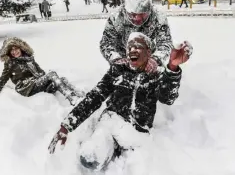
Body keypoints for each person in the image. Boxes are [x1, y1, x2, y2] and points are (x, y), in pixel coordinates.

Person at [48, 32, 193, 171]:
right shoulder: (118, 70)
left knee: (143, 168)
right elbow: (95, 96)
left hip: (137, 134)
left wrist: (172, 68)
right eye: (130, 47)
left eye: (138, 47)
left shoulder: (156, 73)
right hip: (110, 123)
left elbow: (167, 98)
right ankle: (108, 148)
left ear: (149, 52)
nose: (132, 50)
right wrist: (67, 125)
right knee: (89, 158)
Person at [0, 37, 84, 105]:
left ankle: (78, 94)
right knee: (52, 75)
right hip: (25, 87)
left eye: (16, 49)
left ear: (21, 48)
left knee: (61, 79)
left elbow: (40, 72)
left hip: (36, 84)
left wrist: (47, 79)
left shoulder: (29, 58)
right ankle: (72, 99)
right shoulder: (10, 63)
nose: (14, 52)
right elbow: (1, 81)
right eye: (12, 50)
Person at [100, 0, 173, 74]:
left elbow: (165, 42)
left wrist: (155, 59)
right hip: (123, 54)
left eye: (143, 14)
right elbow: (106, 43)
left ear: (150, 10)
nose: (138, 19)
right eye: (133, 14)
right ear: (125, 10)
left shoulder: (158, 17)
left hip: (147, 54)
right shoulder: (116, 18)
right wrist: (116, 59)